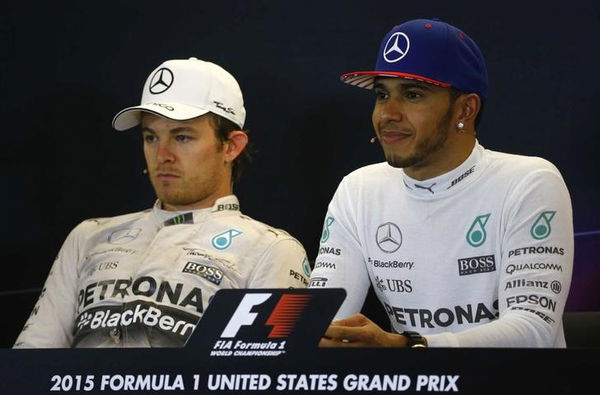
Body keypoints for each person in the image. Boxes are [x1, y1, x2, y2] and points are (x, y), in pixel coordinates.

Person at [310, 19, 573, 348]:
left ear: (466, 108)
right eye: (381, 95)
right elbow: (321, 321)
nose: (387, 114)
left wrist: (411, 348)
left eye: (413, 94)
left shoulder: (529, 182)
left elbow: (533, 330)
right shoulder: (358, 190)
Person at [14, 57, 310, 348]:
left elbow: (268, 375)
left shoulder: (272, 249)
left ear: (231, 146)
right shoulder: (88, 236)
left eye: (182, 137)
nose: (163, 154)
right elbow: (32, 361)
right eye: (151, 137)